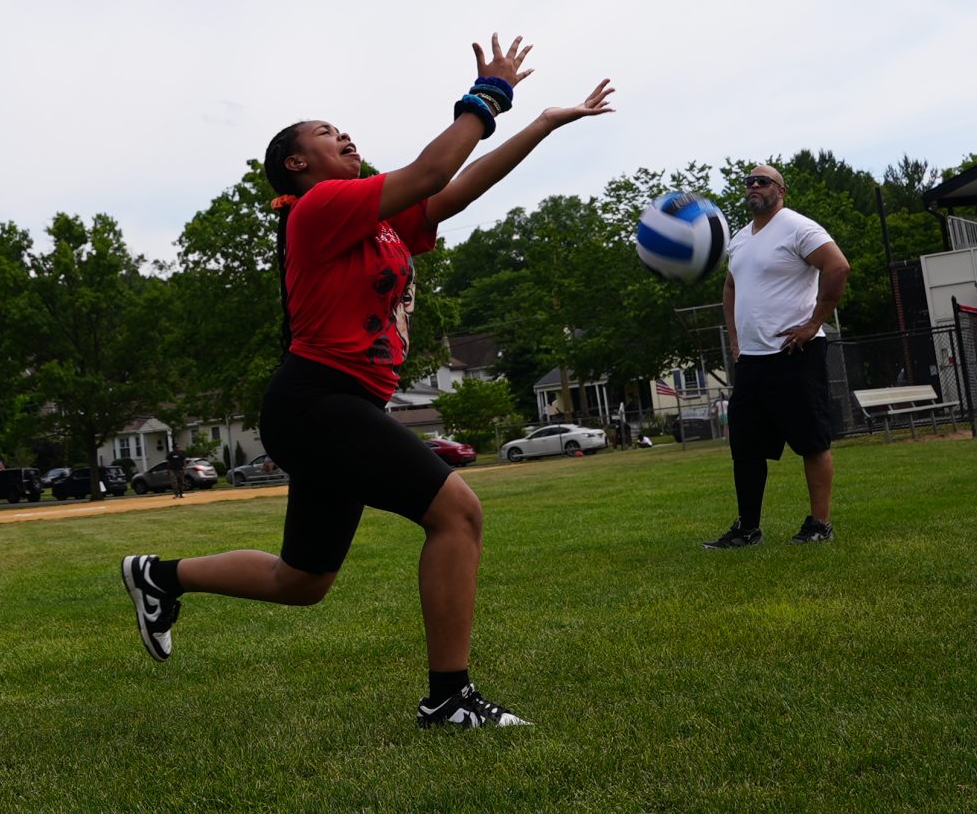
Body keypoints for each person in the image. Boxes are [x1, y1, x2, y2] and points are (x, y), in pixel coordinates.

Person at [120, 36, 614, 728]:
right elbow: (432, 168)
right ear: (297, 163)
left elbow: (451, 189)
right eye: (327, 132)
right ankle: (449, 697)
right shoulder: (320, 206)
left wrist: (542, 124)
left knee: (302, 580)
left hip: (333, 409)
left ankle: (158, 575)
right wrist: (489, 95)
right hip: (318, 400)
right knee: (457, 512)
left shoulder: (374, 223)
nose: (345, 136)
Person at [705, 163, 851, 549]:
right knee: (745, 447)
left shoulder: (798, 228)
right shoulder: (740, 239)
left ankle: (819, 524)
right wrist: (734, 340)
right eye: (749, 181)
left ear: (781, 190)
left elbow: (838, 267)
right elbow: (730, 287)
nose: (754, 185)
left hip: (795, 353)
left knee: (811, 441)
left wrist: (812, 324)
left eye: (763, 181)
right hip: (752, 361)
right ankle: (747, 529)